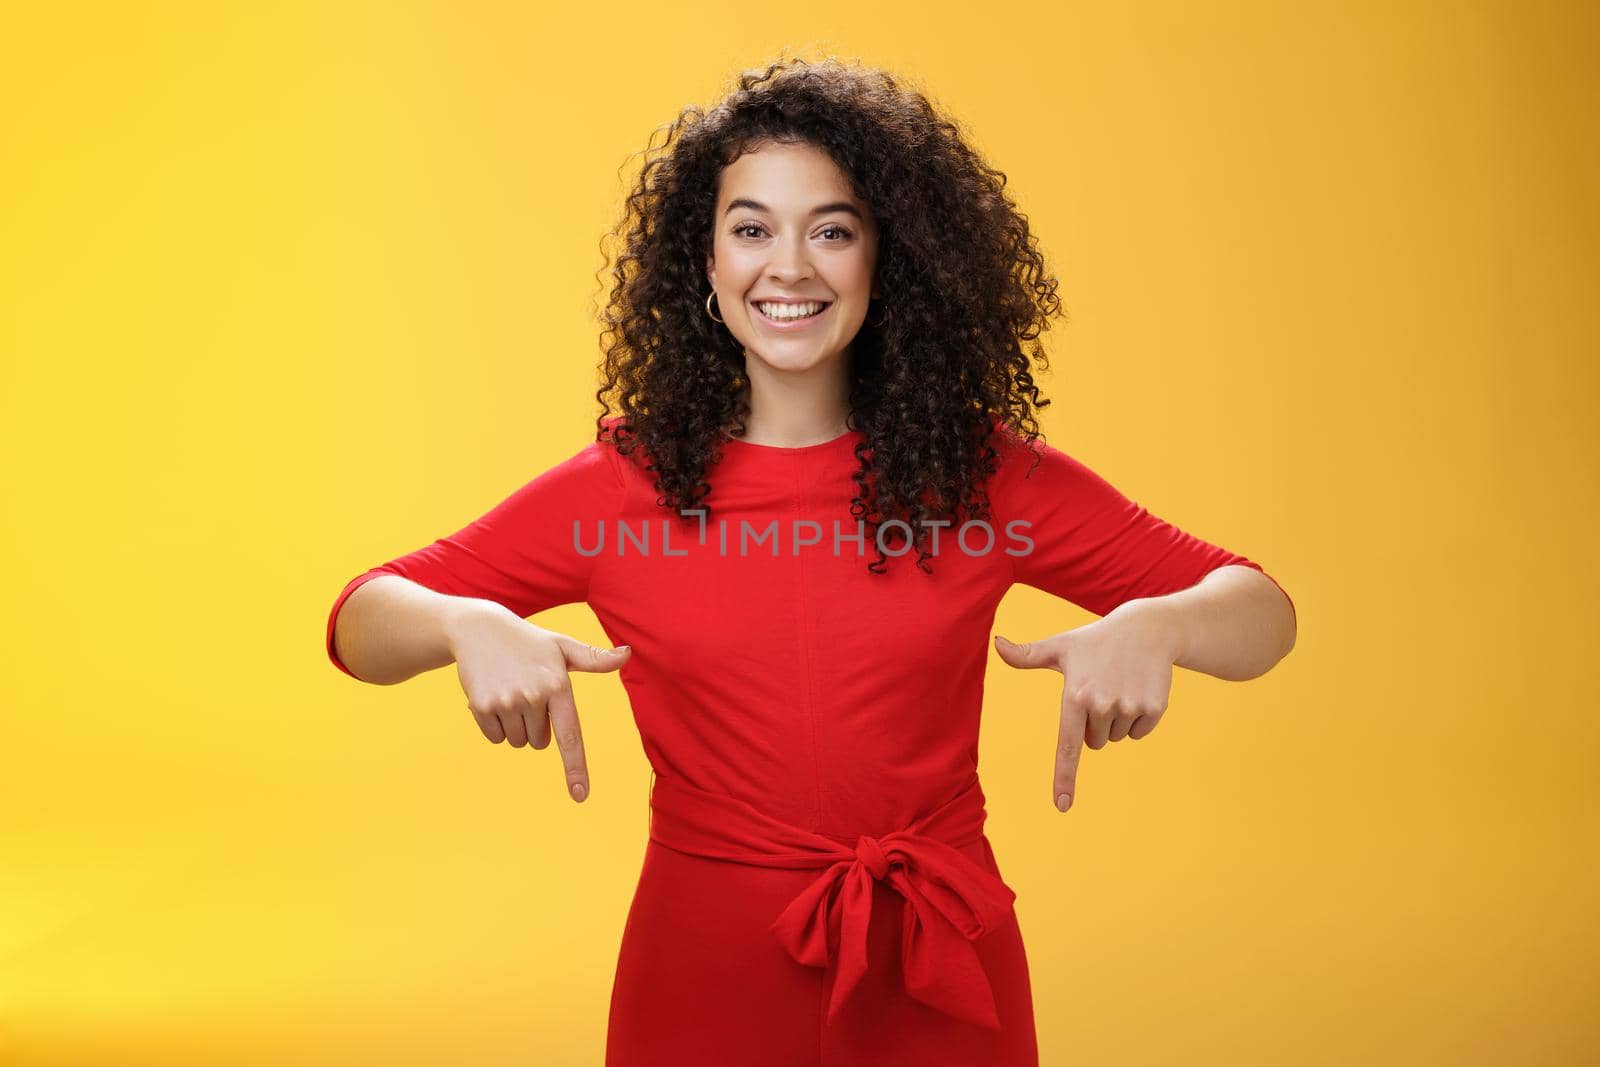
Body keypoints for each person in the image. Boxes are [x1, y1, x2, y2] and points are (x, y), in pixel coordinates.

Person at [325, 55, 1296, 1067]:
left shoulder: (980, 477)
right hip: (701, 975)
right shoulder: (619, 488)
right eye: (750, 228)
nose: (788, 266)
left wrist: (1162, 623)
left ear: (888, 261)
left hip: (940, 965)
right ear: (701, 262)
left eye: (830, 229)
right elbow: (361, 619)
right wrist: (457, 622)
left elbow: (1261, 611)